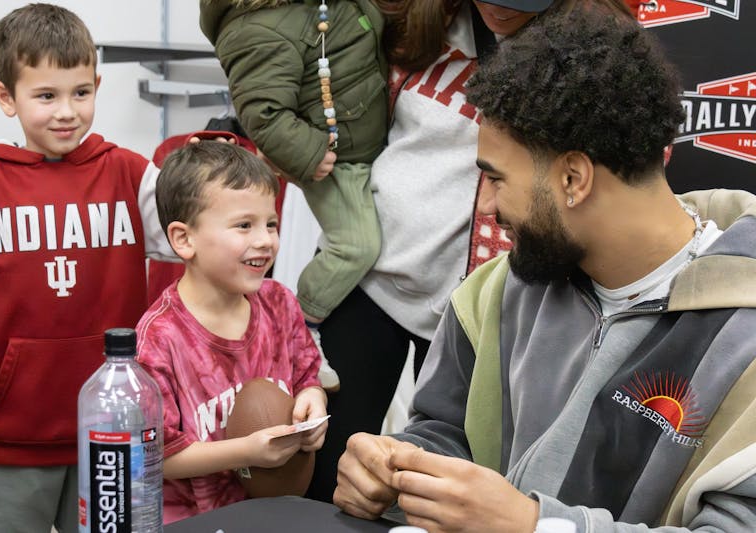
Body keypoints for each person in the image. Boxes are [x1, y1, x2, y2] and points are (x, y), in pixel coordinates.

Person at [334, 8, 756, 532]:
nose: (485, 205)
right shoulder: (491, 295)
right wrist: (393, 469)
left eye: (496, 178)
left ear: (574, 178)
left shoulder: (745, 339)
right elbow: (443, 432)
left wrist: (536, 525)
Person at [305, 0, 635, 502]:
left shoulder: (587, 54)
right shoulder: (419, 21)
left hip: (470, 308)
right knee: (332, 471)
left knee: (438, 484)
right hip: (370, 281)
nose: (497, 9)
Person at [0, 4, 178, 532]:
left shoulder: (131, 174)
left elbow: (192, 237)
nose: (66, 111)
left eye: (81, 92)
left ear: (98, 85)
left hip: (114, 424)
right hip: (17, 432)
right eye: (46, 95)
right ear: (6, 97)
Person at [199, 0, 389, 393]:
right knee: (355, 245)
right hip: (337, 161)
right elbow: (263, 112)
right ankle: (300, 322)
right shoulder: (258, 26)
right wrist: (309, 152)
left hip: (360, 140)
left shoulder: (311, 7)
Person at [135, 140, 329, 524]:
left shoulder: (279, 303)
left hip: (272, 514)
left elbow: (308, 375)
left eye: (270, 224)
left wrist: (313, 404)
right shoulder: (160, 338)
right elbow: (158, 456)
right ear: (184, 239)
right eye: (244, 225)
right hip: (193, 521)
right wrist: (246, 452)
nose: (264, 240)